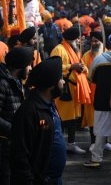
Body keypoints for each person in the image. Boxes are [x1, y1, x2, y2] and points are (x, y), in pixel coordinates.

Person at [11, 56, 66, 185]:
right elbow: (20, 155)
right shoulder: (29, 111)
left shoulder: (50, 105)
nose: (63, 82)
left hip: (54, 179)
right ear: (51, 85)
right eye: (61, 79)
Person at [84, 34, 111, 167]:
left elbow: (91, 78)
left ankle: (96, 158)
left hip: (102, 98)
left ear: (107, 44)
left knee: (100, 130)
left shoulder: (99, 59)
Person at [50, 26, 91, 154]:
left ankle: (71, 143)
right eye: (78, 38)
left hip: (75, 89)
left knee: (73, 119)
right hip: (64, 89)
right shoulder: (59, 49)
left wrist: (83, 68)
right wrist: (71, 66)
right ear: (73, 39)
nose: (80, 40)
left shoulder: (75, 50)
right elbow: (53, 67)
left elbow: (81, 65)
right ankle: (58, 143)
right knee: (62, 118)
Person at [0, 47, 34, 185]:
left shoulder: (16, 81)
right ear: (19, 66)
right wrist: (15, 129)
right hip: (3, 145)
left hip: (13, 143)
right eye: (28, 65)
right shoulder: (3, 83)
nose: (30, 68)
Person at [81, 31, 103, 150]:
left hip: (103, 91)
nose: (93, 43)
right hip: (90, 91)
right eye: (92, 41)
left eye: (96, 41)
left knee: (103, 118)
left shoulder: (106, 54)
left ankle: (103, 142)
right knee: (91, 119)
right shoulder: (86, 55)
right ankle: (94, 142)